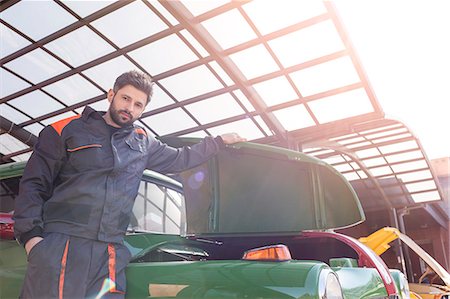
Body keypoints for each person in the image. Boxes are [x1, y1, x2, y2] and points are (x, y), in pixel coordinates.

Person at [13, 70, 246, 298]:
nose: (130, 108)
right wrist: (32, 238)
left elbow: (180, 158)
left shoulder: (144, 142)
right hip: (62, 245)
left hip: (111, 254)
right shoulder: (65, 130)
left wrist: (217, 142)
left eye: (138, 105)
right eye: (126, 98)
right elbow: (34, 183)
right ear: (110, 94)